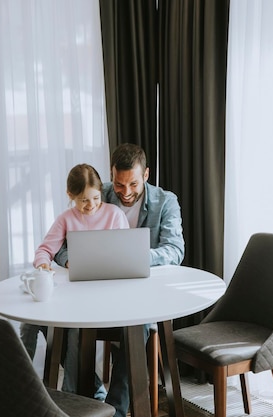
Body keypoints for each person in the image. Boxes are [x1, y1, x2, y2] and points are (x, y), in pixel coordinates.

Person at [54, 143, 185, 417]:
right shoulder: (95, 195)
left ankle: (114, 410)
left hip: (143, 295)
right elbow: (62, 245)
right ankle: (89, 398)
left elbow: (175, 250)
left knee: (135, 330)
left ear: (146, 174)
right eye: (118, 184)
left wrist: (134, 257)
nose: (125, 192)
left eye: (133, 184)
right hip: (97, 293)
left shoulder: (166, 201)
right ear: (110, 176)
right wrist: (70, 259)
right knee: (59, 323)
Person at [19, 163, 129, 399]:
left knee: (73, 329)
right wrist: (43, 264)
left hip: (106, 295)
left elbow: (124, 255)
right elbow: (44, 250)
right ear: (71, 196)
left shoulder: (114, 215)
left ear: (101, 192)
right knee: (29, 323)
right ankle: (20, 384)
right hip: (75, 294)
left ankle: (72, 396)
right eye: (83, 201)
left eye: (96, 198)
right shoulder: (66, 219)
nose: (90, 206)